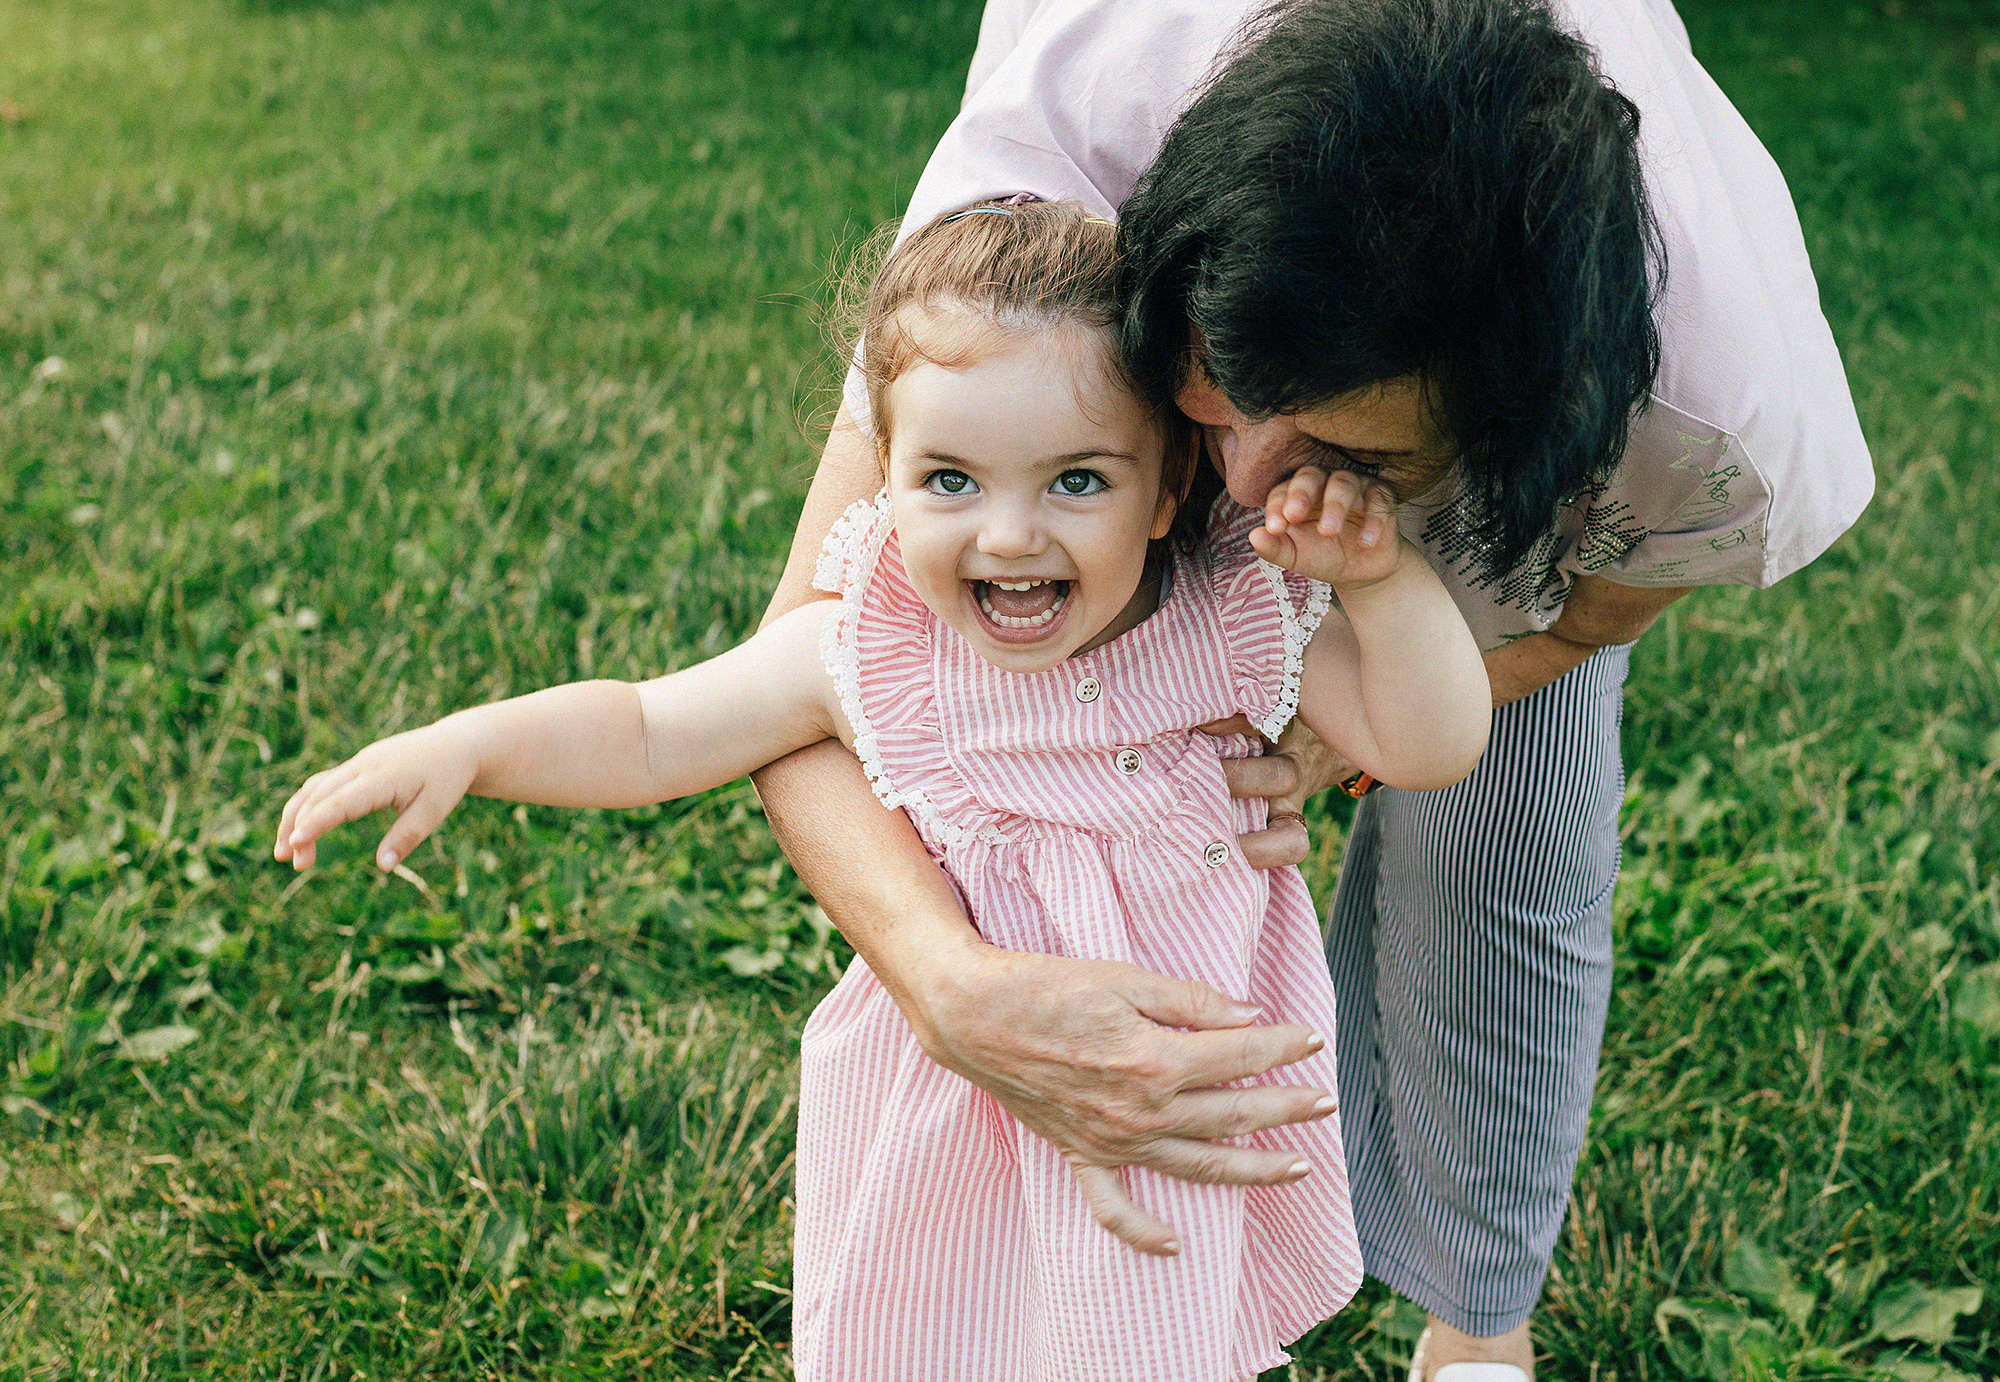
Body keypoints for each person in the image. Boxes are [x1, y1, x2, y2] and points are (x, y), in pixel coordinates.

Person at [750, 0, 1874, 1376]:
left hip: (1517, 462)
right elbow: (809, 656)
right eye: (1213, 405)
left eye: (1339, 443)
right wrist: (951, 983)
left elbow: (1579, 623)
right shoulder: (1056, 177)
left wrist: (1344, 722)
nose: (1235, 491)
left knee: (1508, 844)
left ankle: (1478, 1327)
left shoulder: (1709, 419)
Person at [272, 199, 1494, 1380]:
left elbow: (1427, 740)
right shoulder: (867, 647)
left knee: (1145, 1339)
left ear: (1168, 487)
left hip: (1161, 1100)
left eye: (1076, 480)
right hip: (955, 1119)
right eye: (949, 479)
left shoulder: (1222, 623)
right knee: (946, 1331)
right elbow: (648, 729)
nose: (1008, 534)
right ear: (885, 474)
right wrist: (468, 743)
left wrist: (1381, 591)